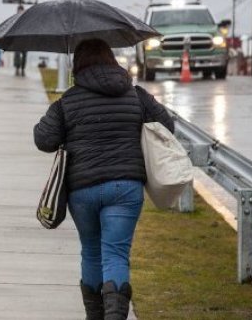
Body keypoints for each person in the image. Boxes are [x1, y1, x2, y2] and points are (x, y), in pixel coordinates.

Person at [33, 39, 174, 320]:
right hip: (126, 187)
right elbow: (167, 126)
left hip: (82, 190)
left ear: (77, 67)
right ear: (112, 61)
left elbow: (43, 139)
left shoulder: (68, 101)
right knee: (116, 254)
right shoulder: (136, 95)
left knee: (91, 252)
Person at [14, 5, 27, 76]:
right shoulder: (14, 19)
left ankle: (23, 69)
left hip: (24, 39)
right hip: (17, 39)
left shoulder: (26, 19)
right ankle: (17, 69)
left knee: (24, 55)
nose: (20, 12)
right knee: (17, 55)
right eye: (18, 10)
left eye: (21, 10)